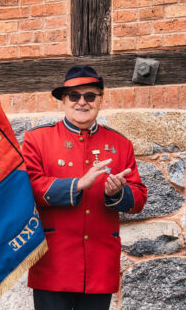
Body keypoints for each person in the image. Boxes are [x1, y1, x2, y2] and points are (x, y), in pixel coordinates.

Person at [21, 65, 147, 310]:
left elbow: (139, 197)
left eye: (90, 96)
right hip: (54, 263)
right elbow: (30, 187)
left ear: (100, 100)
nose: (82, 102)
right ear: (63, 101)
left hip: (100, 265)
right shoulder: (38, 139)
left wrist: (117, 193)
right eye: (74, 96)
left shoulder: (120, 143)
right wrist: (78, 184)